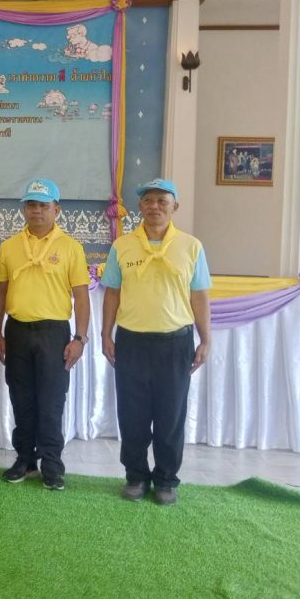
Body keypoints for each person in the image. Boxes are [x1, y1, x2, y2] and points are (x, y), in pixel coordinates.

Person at [100, 178, 211, 505]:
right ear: (140, 206)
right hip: (131, 342)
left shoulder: (191, 246)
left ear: (175, 206)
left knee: (170, 416)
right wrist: (106, 334)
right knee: (132, 414)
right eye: (148, 200)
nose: (155, 206)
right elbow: (112, 293)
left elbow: (199, 296)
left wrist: (205, 340)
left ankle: (166, 480)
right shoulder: (122, 246)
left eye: (162, 200)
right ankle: (135, 476)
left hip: (175, 344)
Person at [0, 179, 90, 490]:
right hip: (17, 331)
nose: (37, 210)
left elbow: (81, 296)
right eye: (31, 205)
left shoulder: (71, 247)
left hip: (53, 334)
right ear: (24, 209)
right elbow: (0, 291)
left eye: (43, 205)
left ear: (56, 209)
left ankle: (51, 464)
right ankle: (24, 459)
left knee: (51, 401)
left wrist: (80, 338)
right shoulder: (9, 246)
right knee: (21, 399)